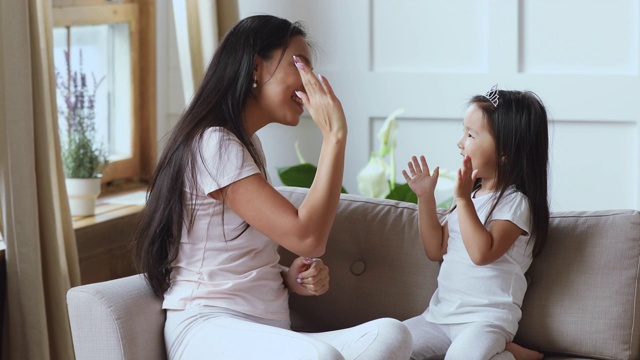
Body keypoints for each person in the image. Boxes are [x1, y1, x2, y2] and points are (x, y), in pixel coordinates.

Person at [133, 15, 412, 360]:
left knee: (392, 334)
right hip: (209, 328)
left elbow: (232, 256)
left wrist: (287, 276)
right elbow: (308, 238)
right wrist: (335, 137)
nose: (309, 83)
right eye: (300, 64)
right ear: (255, 68)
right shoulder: (214, 143)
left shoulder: (246, 146)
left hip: (267, 333)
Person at [401, 86, 549, 360]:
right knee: (393, 344)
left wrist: (463, 200)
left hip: (484, 322)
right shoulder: (468, 198)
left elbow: (482, 252)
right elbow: (436, 250)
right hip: (438, 317)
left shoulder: (516, 204)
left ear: (504, 152)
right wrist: (426, 198)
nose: (460, 142)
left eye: (470, 135)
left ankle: (510, 355)